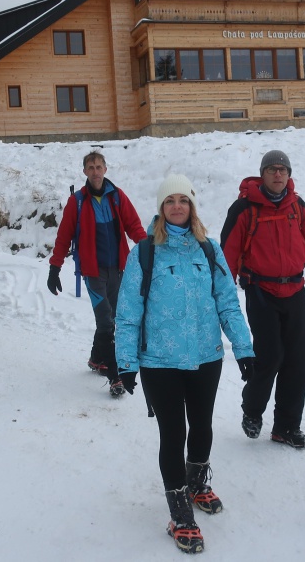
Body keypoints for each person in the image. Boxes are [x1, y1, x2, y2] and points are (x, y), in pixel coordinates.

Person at [115, 174, 254, 555]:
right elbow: (128, 312)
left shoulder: (209, 249)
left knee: (203, 426)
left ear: (192, 206)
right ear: (161, 208)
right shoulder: (144, 253)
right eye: (170, 200)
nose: (177, 206)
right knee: (174, 434)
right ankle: (180, 515)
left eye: (183, 200)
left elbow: (227, 302)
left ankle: (196, 484)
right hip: (159, 361)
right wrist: (126, 362)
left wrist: (244, 348)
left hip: (206, 356)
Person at [220, 150, 305, 449]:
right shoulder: (244, 208)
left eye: (283, 169)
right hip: (261, 291)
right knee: (269, 358)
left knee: (297, 364)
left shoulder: (297, 206)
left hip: (295, 291)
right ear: (263, 174)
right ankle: (252, 410)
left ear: (289, 175)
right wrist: (222, 297)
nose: (278, 174)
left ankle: (286, 427)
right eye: (272, 169)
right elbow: (228, 255)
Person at [47, 151, 146, 396]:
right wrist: (54, 267)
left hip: (118, 269)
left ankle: (96, 358)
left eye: (99, 167)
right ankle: (115, 376)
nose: (95, 172)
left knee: (112, 317)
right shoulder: (78, 201)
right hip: (93, 272)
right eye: (90, 167)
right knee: (105, 320)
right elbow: (63, 236)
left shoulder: (117, 196)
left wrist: (148, 251)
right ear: (85, 171)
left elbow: (134, 226)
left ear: (105, 169)